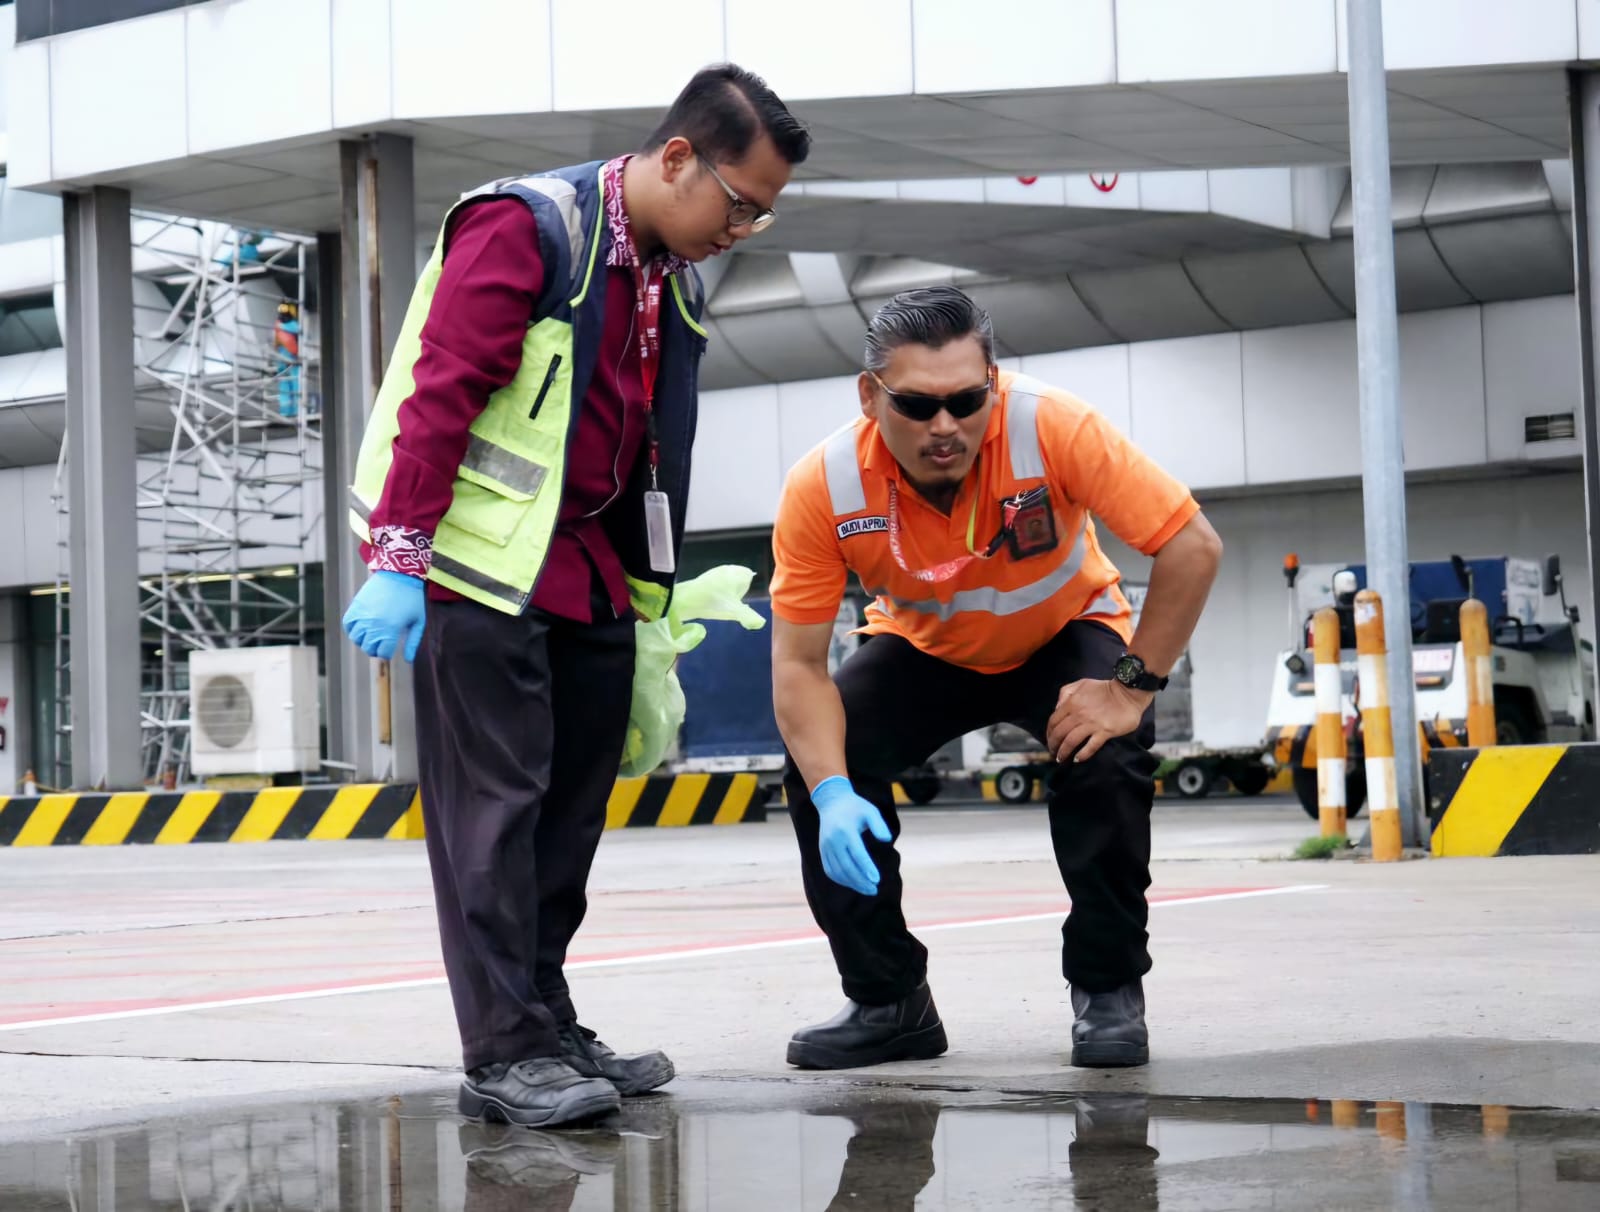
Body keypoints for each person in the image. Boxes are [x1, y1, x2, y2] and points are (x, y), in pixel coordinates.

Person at [340, 64, 810, 1128]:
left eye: (762, 216)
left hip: (590, 575)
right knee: (495, 814)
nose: (741, 227)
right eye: (738, 202)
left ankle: (546, 1020)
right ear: (678, 157)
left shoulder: (665, 273)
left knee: (571, 812)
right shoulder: (528, 227)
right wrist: (399, 557)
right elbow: (441, 391)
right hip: (475, 571)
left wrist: (654, 594)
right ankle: (502, 1051)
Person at [768, 286, 1222, 1072]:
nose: (945, 427)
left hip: (1064, 631)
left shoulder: (1053, 427)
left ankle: (1108, 989)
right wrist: (833, 789)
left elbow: (1192, 546)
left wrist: (1129, 688)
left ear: (994, 382)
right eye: (916, 405)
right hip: (924, 647)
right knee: (820, 763)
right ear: (870, 397)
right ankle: (889, 1000)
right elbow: (800, 664)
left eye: (966, 401)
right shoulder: (825, 487)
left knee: (1105, 758)